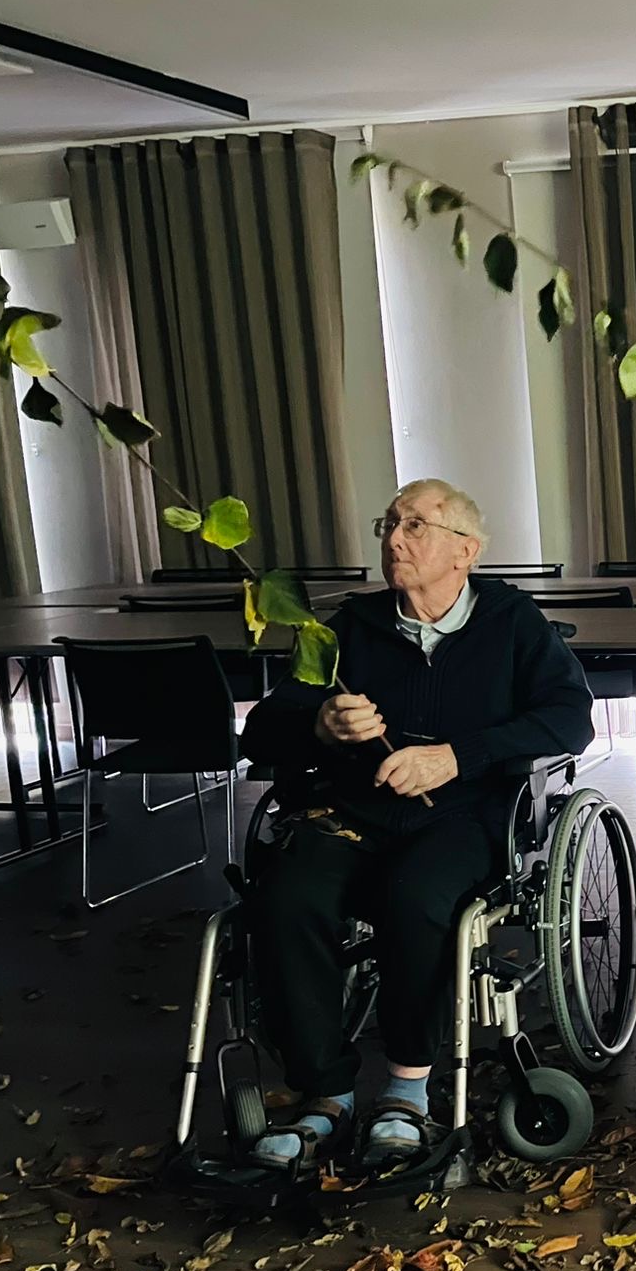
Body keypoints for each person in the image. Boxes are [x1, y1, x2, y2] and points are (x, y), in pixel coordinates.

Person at [239, 478, 594, 1170]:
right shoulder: (348, 627)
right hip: (351, 811)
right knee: (286, 896)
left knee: (418, 897)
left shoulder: (512, 623)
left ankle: (406, 1089)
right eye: (390, 525)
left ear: (466, 551)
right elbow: (263, 730)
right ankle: (325, 1093)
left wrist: (458, 757)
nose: (394, 540)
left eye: (415, 526)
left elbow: (569, 718)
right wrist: (320, 724)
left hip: (465, 815)